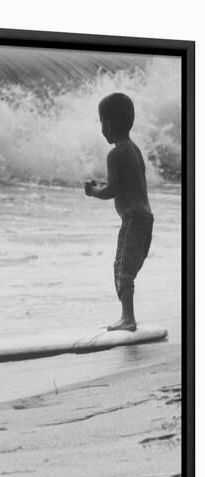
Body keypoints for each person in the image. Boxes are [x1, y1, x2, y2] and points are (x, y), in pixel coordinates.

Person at [85, 93, 153, 331]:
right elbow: (129, 183)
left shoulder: (115, 154)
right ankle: (127, 317)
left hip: (133, 220)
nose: (101, 127)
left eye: (101, 121)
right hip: (146, 219)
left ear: (109, 124)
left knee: (122, 269)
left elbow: (112, 190)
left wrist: (94, 191)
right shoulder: (133, 149)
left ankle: (128, 318)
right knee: (126, 269)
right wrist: (103, 185)